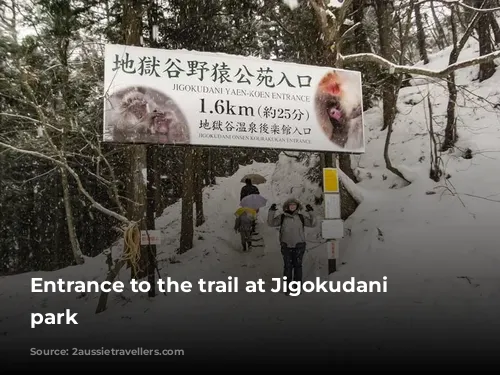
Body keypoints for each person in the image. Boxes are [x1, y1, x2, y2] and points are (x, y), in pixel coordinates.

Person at [267, 198, 316, 295]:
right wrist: (271, 211)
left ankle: (297, 287)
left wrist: (311, 211)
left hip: (299, 245)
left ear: (297, 207)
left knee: (298, 267)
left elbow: (312, 223)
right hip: (286, 246)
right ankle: (288, 288)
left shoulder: (301, 217)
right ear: (287, 206)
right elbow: (271, 223)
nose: (292, 206)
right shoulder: (282, 217)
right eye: (291, 205)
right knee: (287, 267)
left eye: (294, 205)